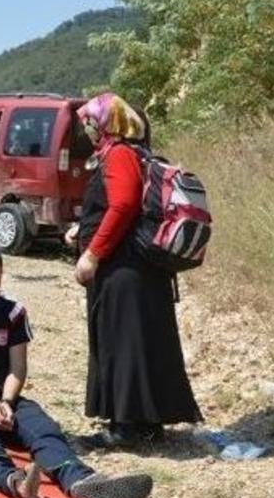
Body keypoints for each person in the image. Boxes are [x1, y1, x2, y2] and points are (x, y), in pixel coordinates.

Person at [0, 243, 154, 498]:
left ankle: (81, 481)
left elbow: (17, 368)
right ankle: (13, 481)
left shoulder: (13, 311)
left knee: (44, 428)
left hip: (3, 395)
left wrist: (7, 402)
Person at [72, 93, 202, 447]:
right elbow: (117, 207)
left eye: (89, 122)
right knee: (143, 343)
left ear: (106, 123)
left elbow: (125, 204)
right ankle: (148, 423)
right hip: (138, 271)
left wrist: (93, 254)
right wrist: (82, 229)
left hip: (124, 270)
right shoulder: (130, 154)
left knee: (122, 343)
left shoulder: (119, 154)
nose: (86, 129)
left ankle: (125, 428)